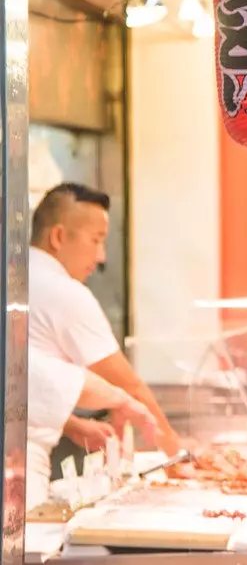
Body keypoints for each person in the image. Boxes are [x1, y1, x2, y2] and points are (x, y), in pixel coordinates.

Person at [29, 183, 182, 477]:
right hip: (21, 461)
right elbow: (128, 385)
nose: (101, 257)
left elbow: (21, 383)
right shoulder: (64, 292)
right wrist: (177, 455)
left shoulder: (17, 276)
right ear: (58, 236)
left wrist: (70, 424)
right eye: (96, 240)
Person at [27, 348, 158, 509]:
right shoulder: (12, 349)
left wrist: (75, 426)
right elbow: (63, 382)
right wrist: (124, 401)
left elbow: (27, 403)